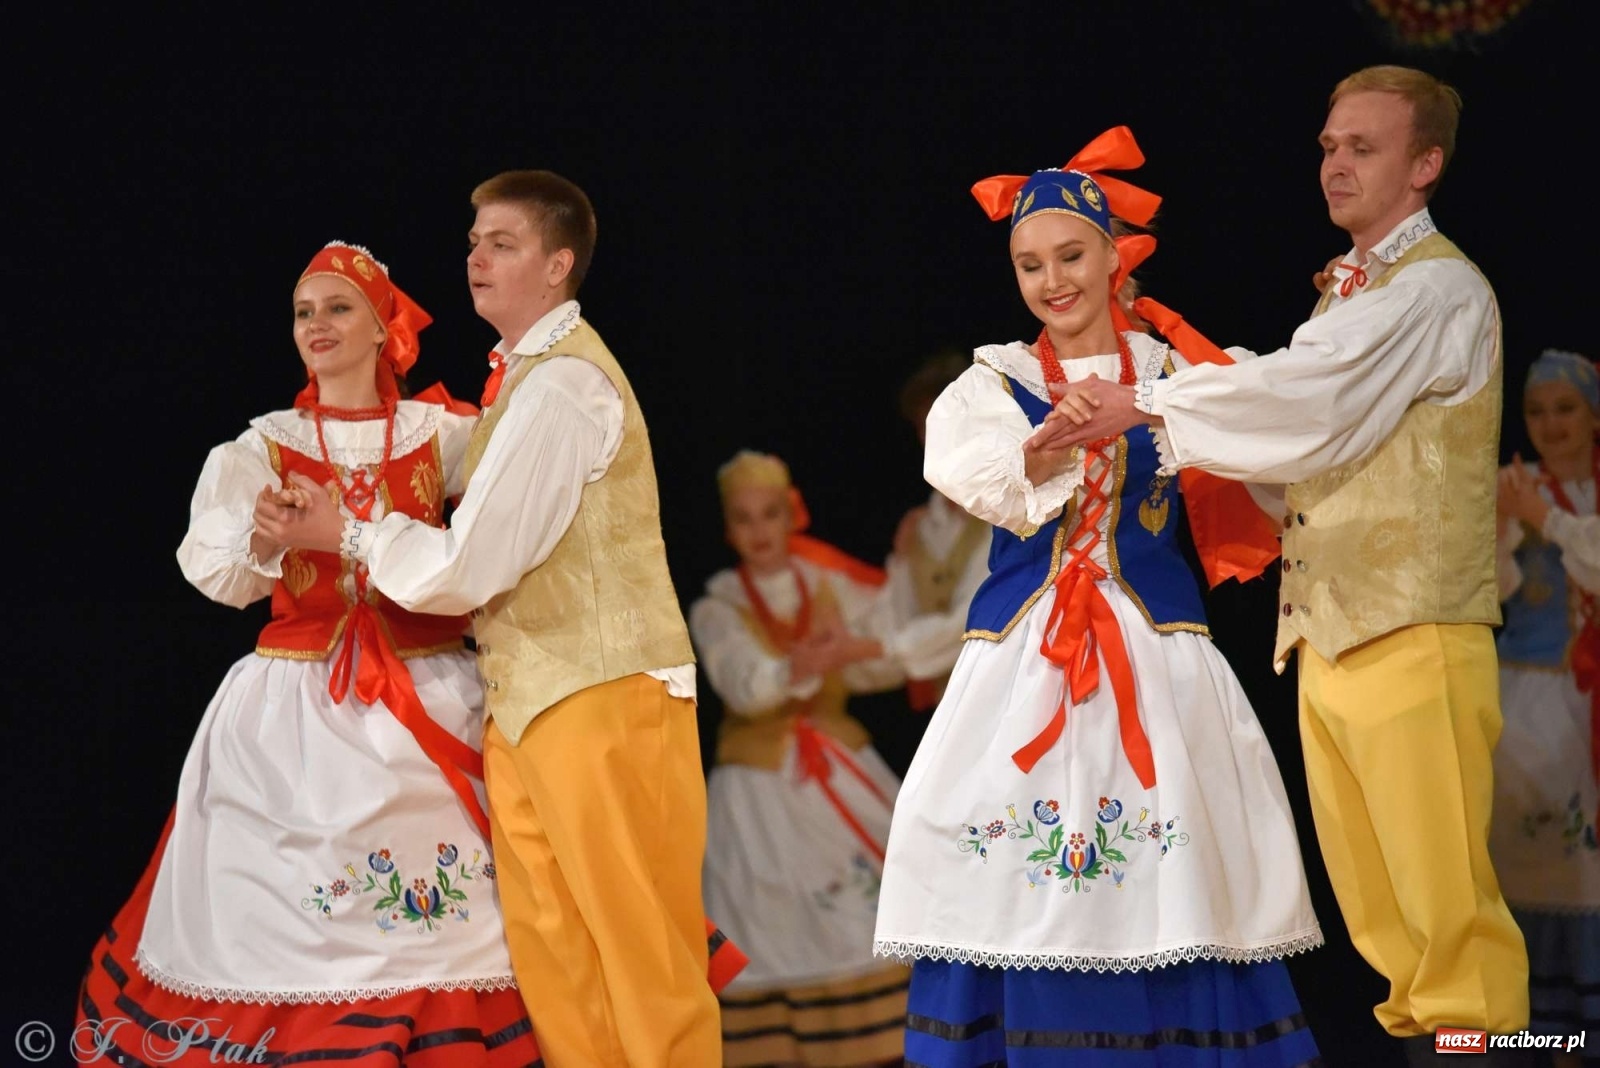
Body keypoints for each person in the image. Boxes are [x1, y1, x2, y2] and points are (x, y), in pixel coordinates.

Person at [1038, 67, 1532, 1059]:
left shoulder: (1433, 285)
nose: (1335, 163)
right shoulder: (1347, 300)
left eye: (1363, 147)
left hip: (1413, 631)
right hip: (1333, 635)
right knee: (1387, 921)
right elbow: (1288, 448)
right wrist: (1168, 377)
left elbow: (1306, 400)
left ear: (1424, 166)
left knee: (1445, 919)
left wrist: (1151, 403)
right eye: (1326, 146)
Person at [255, 171, 738, 1067]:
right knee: (557, 954)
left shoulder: (564, 387)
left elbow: (473, 564)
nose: (476, 257)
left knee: (639, 954)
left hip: (603, 692)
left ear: (558, 265)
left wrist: (348, 531)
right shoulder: (519, 383)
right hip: (530, 702)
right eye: (474, 240)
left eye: (502, 244)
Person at [871, 127, 1323, 1067]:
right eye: (1030, 263)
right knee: (996, 856)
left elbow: (1280, 440)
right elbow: (977, 474)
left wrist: (1161, 412)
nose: (1051, 279)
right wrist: (1046, 442)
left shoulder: (1178, 373)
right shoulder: (997, 383)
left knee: (1176, 869)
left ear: (1116, 252)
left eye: (1070, 254)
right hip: (1026, 655)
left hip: (1156, 650)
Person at [76, 243, 542, 1065]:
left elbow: (516, 509)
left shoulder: (445, 433)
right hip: (298, 707)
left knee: (462, 907)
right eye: (303, 312)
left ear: (381, 327)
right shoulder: (263, 446)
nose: (316, 326)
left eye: (337, 308)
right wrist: (263, 534)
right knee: (286, 903)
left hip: (430, 688)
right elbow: (215, 570)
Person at [692, 449, 912, 1067]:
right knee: (769, 909)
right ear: (728, 528)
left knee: (876, 899)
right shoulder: (717, 605)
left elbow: (883, 655)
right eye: (743, 519)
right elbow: (741, 679)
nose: (759, 532)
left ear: (791, 517)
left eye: (768, 515)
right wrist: (797, 666)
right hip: (758, 782)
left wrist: (848, 650)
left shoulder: (828, 584)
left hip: (838, 756)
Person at [1492, 348, 1600, 1064]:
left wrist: (1547, 520)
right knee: (1521, 857)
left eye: (1565, 408)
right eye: (1537, 410)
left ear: (1592, 415)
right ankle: (1529, 1030)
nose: (1550, 424)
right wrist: (1508, 525)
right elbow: (1486, 589)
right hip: (1523, 700)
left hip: (1587, 704)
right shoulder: (1509, 486)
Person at [882, 353, 992, 715]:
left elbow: (968, 623)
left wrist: (881, 648)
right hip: (949, 710)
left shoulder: (1005, 513)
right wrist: (901, 559)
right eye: (925, 427)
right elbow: (897, 616)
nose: (937, 437)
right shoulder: (921, 528)